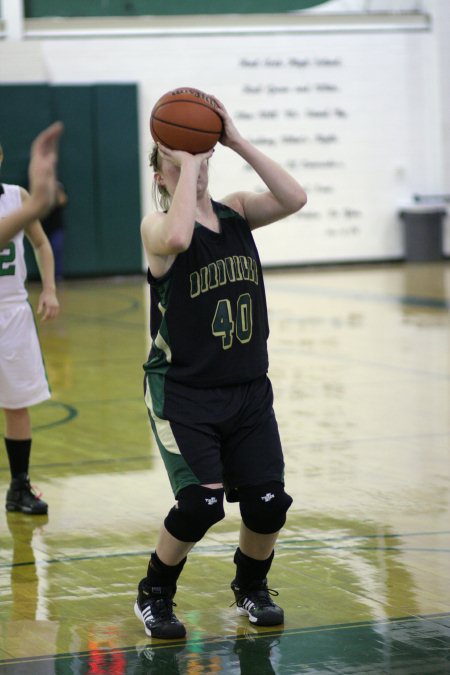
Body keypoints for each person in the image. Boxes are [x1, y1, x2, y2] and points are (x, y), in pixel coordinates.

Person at [134, 95, 307, 639]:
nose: (195, 167)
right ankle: (155, 594)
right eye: (178, 161)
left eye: (201, 157)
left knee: (268, 505)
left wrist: (233, 139)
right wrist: (185, 162)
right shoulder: (156, 228)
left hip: (249, 388)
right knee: (201, 504)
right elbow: (182, 236)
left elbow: (294, 197)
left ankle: (251, 587)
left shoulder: (235, 212)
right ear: (161, 174)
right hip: (183, 391)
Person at [1, 122, 63, 515]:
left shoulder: (15, 197)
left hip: (12, 311)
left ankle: (19, 487)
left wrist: (51, 288)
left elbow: (41, 243)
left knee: (17, 403)